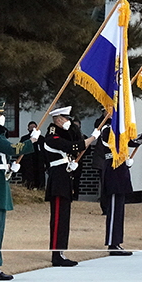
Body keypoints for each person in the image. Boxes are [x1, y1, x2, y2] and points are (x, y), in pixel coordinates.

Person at [0, 101, 40, 281]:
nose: (2, 118)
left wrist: (10, 167)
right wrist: (31, 140)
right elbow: (11, 149)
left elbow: (4, 154)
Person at [41, 107, 98, 267]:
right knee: (59, 218)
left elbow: (73, 145)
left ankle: (61, 252)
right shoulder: (52, 137)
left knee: (64, 218)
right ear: (58, 120)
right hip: (58, 181)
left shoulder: (60, 134)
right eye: (66, 119)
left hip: (64, 179)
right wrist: (93, 137)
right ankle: (56, 254)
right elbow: (74, 147)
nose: (69, 122)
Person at [98, 121, 139, 256]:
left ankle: (117, 242)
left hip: (121, 172)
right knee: (114, 211)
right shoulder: (107, 130)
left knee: (119, 211)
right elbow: (121, 141)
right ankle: (112, 243)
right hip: (114, 172)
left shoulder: (119, 129)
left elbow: (131, 142)